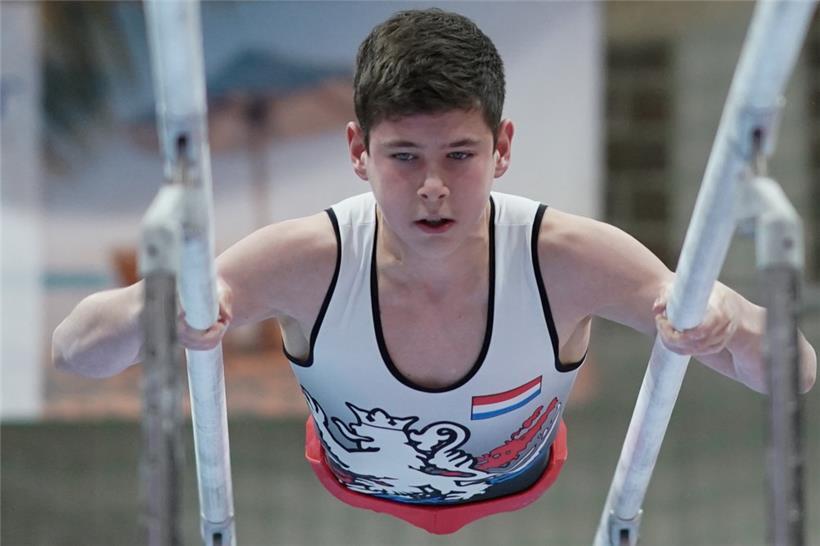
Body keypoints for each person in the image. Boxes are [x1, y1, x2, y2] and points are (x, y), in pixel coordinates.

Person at [53, 8, 815, 509]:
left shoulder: (567, 259)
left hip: (521, 478)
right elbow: (75, 353)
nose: (432, 189)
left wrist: (722, 324)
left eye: (460, 154)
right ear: (357, 151)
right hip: (349, 478)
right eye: (403, 156)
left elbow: (797, 374)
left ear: (503, 147)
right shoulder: (306, 261)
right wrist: (157, 311)